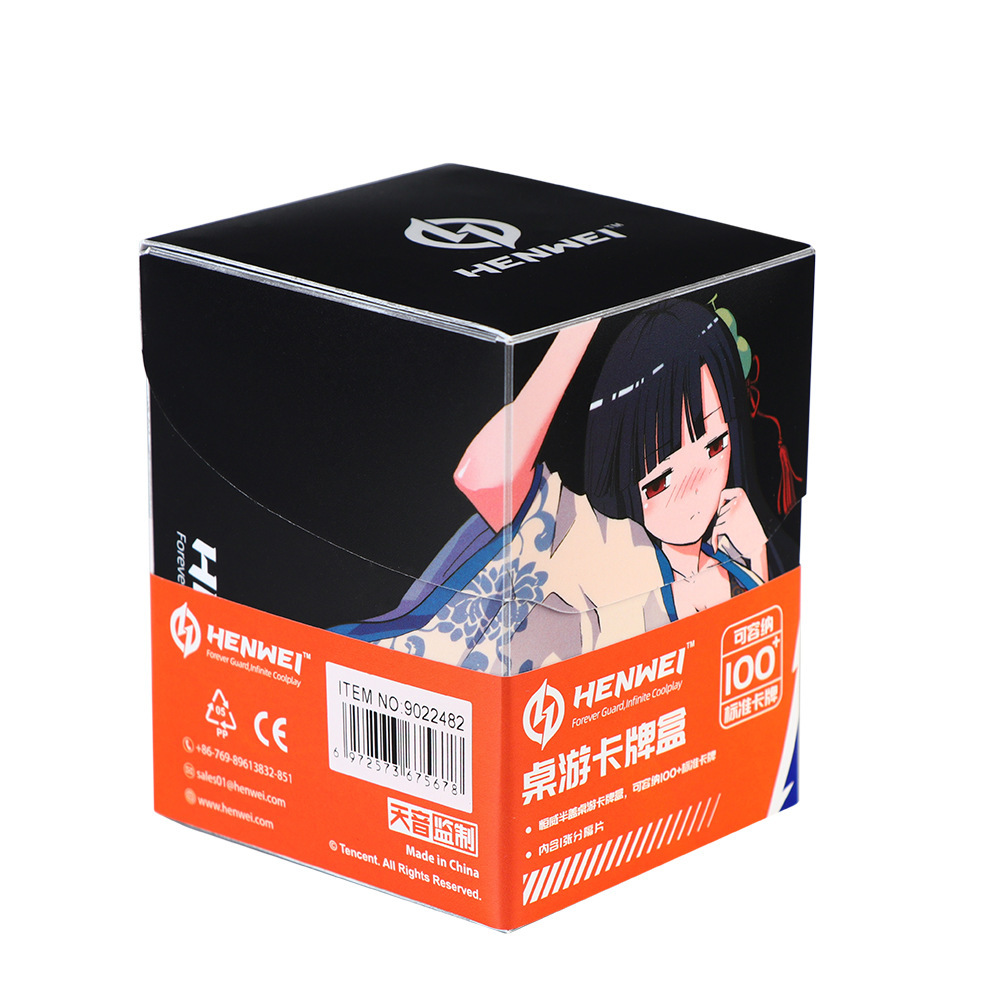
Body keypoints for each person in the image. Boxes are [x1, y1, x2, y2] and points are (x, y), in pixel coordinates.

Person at [333, 298, 785, 674]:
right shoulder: (602, 540)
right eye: (660, 478)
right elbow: (487, 476)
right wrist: (580, 323)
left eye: (715, 445)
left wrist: (757, 559)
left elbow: (754, 689)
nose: (697, 487)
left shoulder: (736, 554)